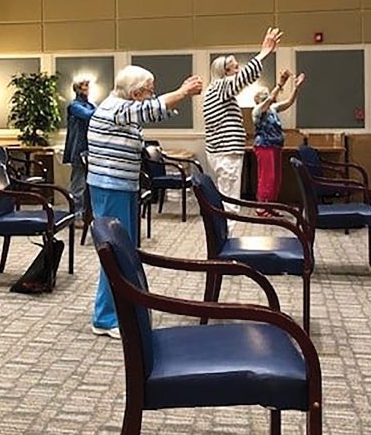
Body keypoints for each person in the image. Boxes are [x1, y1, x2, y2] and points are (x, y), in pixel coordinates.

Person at [87, 65, 203, 338]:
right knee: (115, 252)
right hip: (110, 187)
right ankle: (106, 317)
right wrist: (183, 92)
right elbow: (150, 110)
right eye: (148, 92)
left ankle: (118, 310)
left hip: (121, 187)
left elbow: (151, 109)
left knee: (123, 250)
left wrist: (174, 97)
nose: (152, 96)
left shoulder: (123, 107)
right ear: (135, 93)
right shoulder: (116, 109)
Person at [202, 27, 282, 215]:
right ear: (225, 72)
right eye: (235, 67)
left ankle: (224, 237)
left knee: (228, 197)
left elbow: (244, 78)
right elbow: (245, 78)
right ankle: (225, 239)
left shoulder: (218, 90)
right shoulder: (220, 86)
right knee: (230, 202)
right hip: (226, 153)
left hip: (224, 152)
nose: (239, 71)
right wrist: (263, 53)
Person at [251, 70, 306, 216]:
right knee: (267, 177)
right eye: (263, 94)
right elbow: (269, 99)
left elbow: (288, 102)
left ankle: (271, 206)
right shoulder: (257, 110)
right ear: (257, 99)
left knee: (276, 178)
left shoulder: (273, 109)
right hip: (264, 146)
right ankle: (261, 206)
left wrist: (296, 88)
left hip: (275, 146)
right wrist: (280, 83)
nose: (267, 95)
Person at [62, 79, 96, 226]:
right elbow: (89, 115)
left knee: (89, 185)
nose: (88, 89)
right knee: (78, 184)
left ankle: (86, 214)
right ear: (79, 89)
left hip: (90, 149)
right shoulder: (74, 106)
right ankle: (75, 216)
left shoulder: (90, 104)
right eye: (85, 86)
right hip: (78, 149)